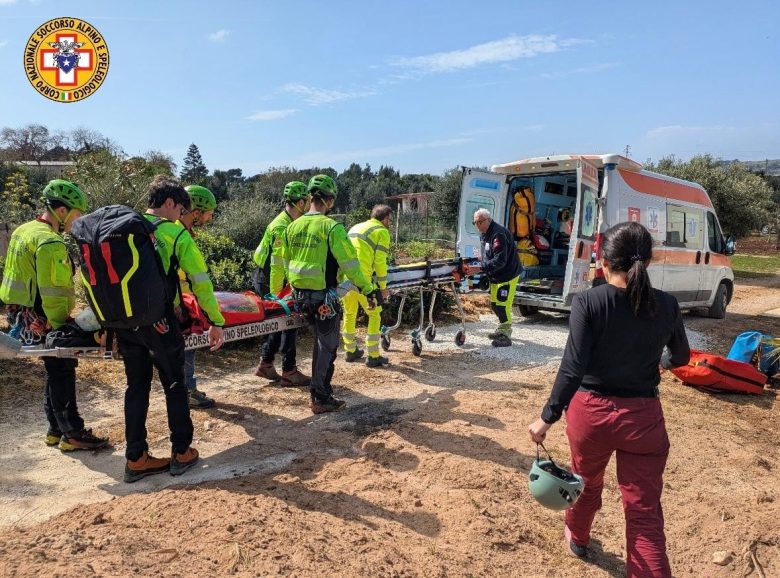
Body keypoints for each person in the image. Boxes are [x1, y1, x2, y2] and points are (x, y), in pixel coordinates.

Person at [527, 222, 690, 577]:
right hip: (643, 418)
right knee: (644, 514)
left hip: (592, 415)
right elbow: (681, 358)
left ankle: (579, 537)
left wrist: (546, 418)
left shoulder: (588, 302)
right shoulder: (668, 305)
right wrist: (660, 363)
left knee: (584, 482)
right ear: (648, 261)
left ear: (603, 262)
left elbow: (573, 368)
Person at [119, 176, 223, 483]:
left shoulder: (125, 228)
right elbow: (199, 280)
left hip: (126, 323)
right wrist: (215, 321)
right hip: (161, 322)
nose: (181, 214)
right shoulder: (174, 234)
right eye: (180, 208)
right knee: (175, 385)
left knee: (136, 388)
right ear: (169, 204)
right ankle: (181, 452)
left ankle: (136, 459)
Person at [0, 179, 108, 452]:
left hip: (17, 315)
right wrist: (62, 326)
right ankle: (72, 432)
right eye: (77, 214)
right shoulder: (50, 242)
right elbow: (55, 293)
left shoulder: (23, 231)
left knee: (53, 367)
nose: (78, 220)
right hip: (40, 316)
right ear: (62, 211)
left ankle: (54, 430)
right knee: (62, 367)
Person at [281, 174, 375, 414]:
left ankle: (318, 392)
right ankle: (320, 397)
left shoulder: (292, 226)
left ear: (310, 197)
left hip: (299, 296)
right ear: (330, 200)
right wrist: (368, 289)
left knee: (318, 343)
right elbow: (350, 264)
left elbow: (285, 262)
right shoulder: (332, 227)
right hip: (325, 299)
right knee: (326, 346)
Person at [252, 181, 311, 387]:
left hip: (270, 275)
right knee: (287, 321)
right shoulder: (281, 226)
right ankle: (289, 370)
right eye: (308, 202)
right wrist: (278, 298)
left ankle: (266, 364)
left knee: (277, 324)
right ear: (301, 202)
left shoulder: (288, 221)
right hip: (269, 278)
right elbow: (276, 266)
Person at [177, 184, 227, 409]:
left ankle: (187, 388)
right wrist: (215, 319)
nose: (210, 218)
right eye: (209, 213)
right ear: (195, 212)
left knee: (185, 352)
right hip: (181, 305)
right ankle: (186, 391)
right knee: (186, 351)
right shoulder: (180, 236)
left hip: (176, 303)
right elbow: (198, 281)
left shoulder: (173, 231)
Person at [341, 204, 392, 367]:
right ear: (384, 218)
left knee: (349, 313)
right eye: (389, 219)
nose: (390, 222)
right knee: (375, 314)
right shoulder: (381, 231)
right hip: (363, 281)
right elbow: (380, 261)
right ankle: (373, 355)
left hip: (346, 278)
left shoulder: (356, 227)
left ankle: (350, 351)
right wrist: (383, 287)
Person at [467, 208, 521, 347]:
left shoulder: (498, 234)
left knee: (503, 305)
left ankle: (505, 335)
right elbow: (488, 254)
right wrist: (478, 261)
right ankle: (501, 329)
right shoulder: (486, 233)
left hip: (507, 275)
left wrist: (480, 268)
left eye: (480, 222)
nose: (477, 225)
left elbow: (500, 260)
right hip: (496, 276)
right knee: (495, 304)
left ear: (488, 220)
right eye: (475, 222)